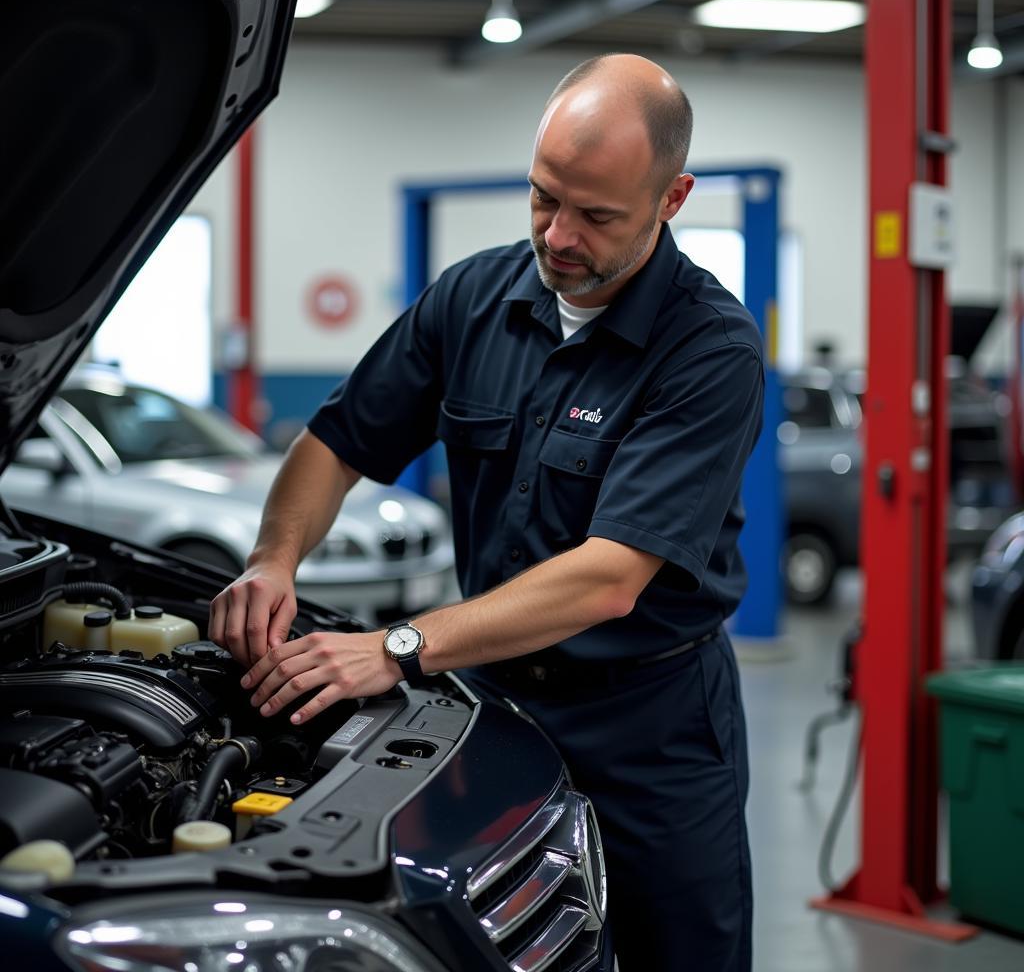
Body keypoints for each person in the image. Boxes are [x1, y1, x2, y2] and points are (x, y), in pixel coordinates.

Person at [210, 52, 763, 971]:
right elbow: (336, 443)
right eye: (544, 198)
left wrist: (396, 648)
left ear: (671, 200)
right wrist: (275, 559)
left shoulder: (711, 349)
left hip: (653, 732)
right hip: (496, 705)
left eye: (597, 215)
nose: (559, 236)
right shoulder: (474, 298)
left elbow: (609, 577)